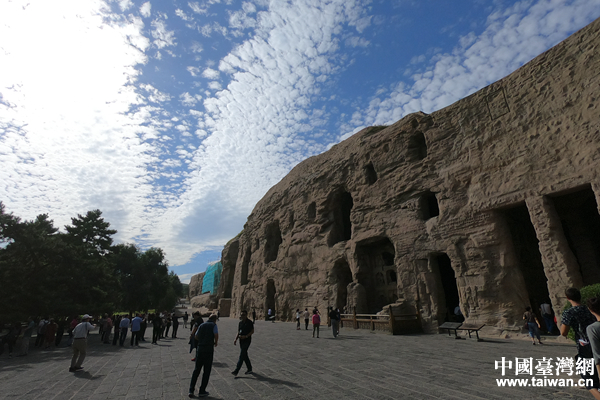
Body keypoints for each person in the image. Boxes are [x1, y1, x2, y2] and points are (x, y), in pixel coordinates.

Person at [561, 287, 600, 399]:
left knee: (590, 382)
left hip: (585, 348)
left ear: (568, 298)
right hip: (597, 341)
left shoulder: (569, 312)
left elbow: (563, 332)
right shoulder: (590, 308)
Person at [188, 314, 218, 398]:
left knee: (196, 370)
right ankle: (202, 390)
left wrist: (201, 341)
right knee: (206, 371)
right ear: (215, 319)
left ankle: (191, 390)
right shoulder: (214, 325)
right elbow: (216, 334)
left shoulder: (202, 325)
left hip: (200, 349)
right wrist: (215, 342)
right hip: (208, 349)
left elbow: (196, 336)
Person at [232, 310, 254, 376]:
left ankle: (236, 370)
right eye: (241, 315)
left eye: (244, 315)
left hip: (247, 340)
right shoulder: (240, 323)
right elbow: (238, 332)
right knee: (244, 355)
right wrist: (235, 339)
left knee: (242, 355)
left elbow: (252, 331)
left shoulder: (249, 322)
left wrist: (246, 336)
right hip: (241, 341)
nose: (242, 316)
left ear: (246, 315)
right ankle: (249, 368)